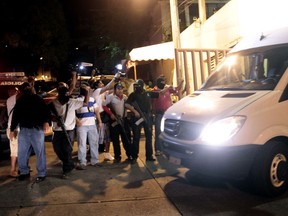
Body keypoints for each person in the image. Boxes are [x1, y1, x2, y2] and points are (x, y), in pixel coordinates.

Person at [9, 82, 51, 183]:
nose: (27, 89)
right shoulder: (20, 101)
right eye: (25, 88)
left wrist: (46, 122)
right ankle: (24, 172)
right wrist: (12, 129)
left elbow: (46, 111)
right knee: (22, 153)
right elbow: (16, 116)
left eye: (28, 87)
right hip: (24, 130)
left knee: (39, 152)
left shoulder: (38, 99)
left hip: (36, 129)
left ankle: (41, 173)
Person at [49, 82, 89, 179]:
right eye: (65, 94)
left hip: (69, 130)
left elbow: (85, 102)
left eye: (68, 94)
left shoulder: (72, 102)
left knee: (67, 150)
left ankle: (66, 170)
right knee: (57, 149)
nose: (67, 96)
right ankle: (70, 163)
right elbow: (48, 114)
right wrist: (53, 119)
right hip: (57, 130)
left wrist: (86, 92)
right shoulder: (53, 103)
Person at [151, 75, 183, 156]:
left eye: (164, 84)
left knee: (169, 132)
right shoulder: (154, 91)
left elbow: (177, 89)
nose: (163, 85)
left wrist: (181, 82)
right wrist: (167, 87)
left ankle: (167, 149)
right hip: (159, 114)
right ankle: (158, 149)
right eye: (162, 84)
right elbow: (161, 93)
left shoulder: (167, 89)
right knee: (158, 132)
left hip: (168, 115)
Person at [125, 79, 156, 163]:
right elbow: (126, 104)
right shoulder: (133, 95)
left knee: (149, 137)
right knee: (136, 137)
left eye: (138, 85)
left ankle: (149, 155)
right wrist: (134, 111)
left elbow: (159, 94)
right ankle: (134, 156)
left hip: (147, 117)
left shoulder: (147, 93)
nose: (137, 87)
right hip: (137, 118)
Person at [91, 73, 121, 161]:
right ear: (97, 86)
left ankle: (106, 154)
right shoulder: (97, 91)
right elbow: (108, 87)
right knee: (99, 136)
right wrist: (115, 78)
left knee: (107, 136)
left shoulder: (103, 93)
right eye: (100, 83)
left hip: (104, 114)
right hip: (99, 115)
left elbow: (112, 90)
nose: (102, 84)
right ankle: (95, 155)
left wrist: (119, 82)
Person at [102, 83, 131, 163]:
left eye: (121, 89)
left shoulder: (125, 97)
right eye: (118, 89)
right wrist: (111, 114)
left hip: (123, 120)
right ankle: (117, 156)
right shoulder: (110, 97)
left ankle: (129, 155)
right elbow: (104, 106)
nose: (120, 90)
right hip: (114, 121)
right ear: (115, 90)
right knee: (115, 140)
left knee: (126, 138)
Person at [76, 85, 102, 169]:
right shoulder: (77, 100)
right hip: (82, 125)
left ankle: (95, 160)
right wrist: (76, 120)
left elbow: (96, 111)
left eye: (89, 89)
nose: (89, 90)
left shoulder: (92, 99)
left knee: (94, 142)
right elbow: (72, 112)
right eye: (87, 89)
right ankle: (82, 162)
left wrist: (99, 121)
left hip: (92, 124)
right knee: (82, 144)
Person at [6, 86, 19, 177]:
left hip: (11, 128)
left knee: (16, 149)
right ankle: (12, 170)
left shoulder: (8, 100)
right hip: (14, 129)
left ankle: (21, 167)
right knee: (15, 150)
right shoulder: (16, 99)